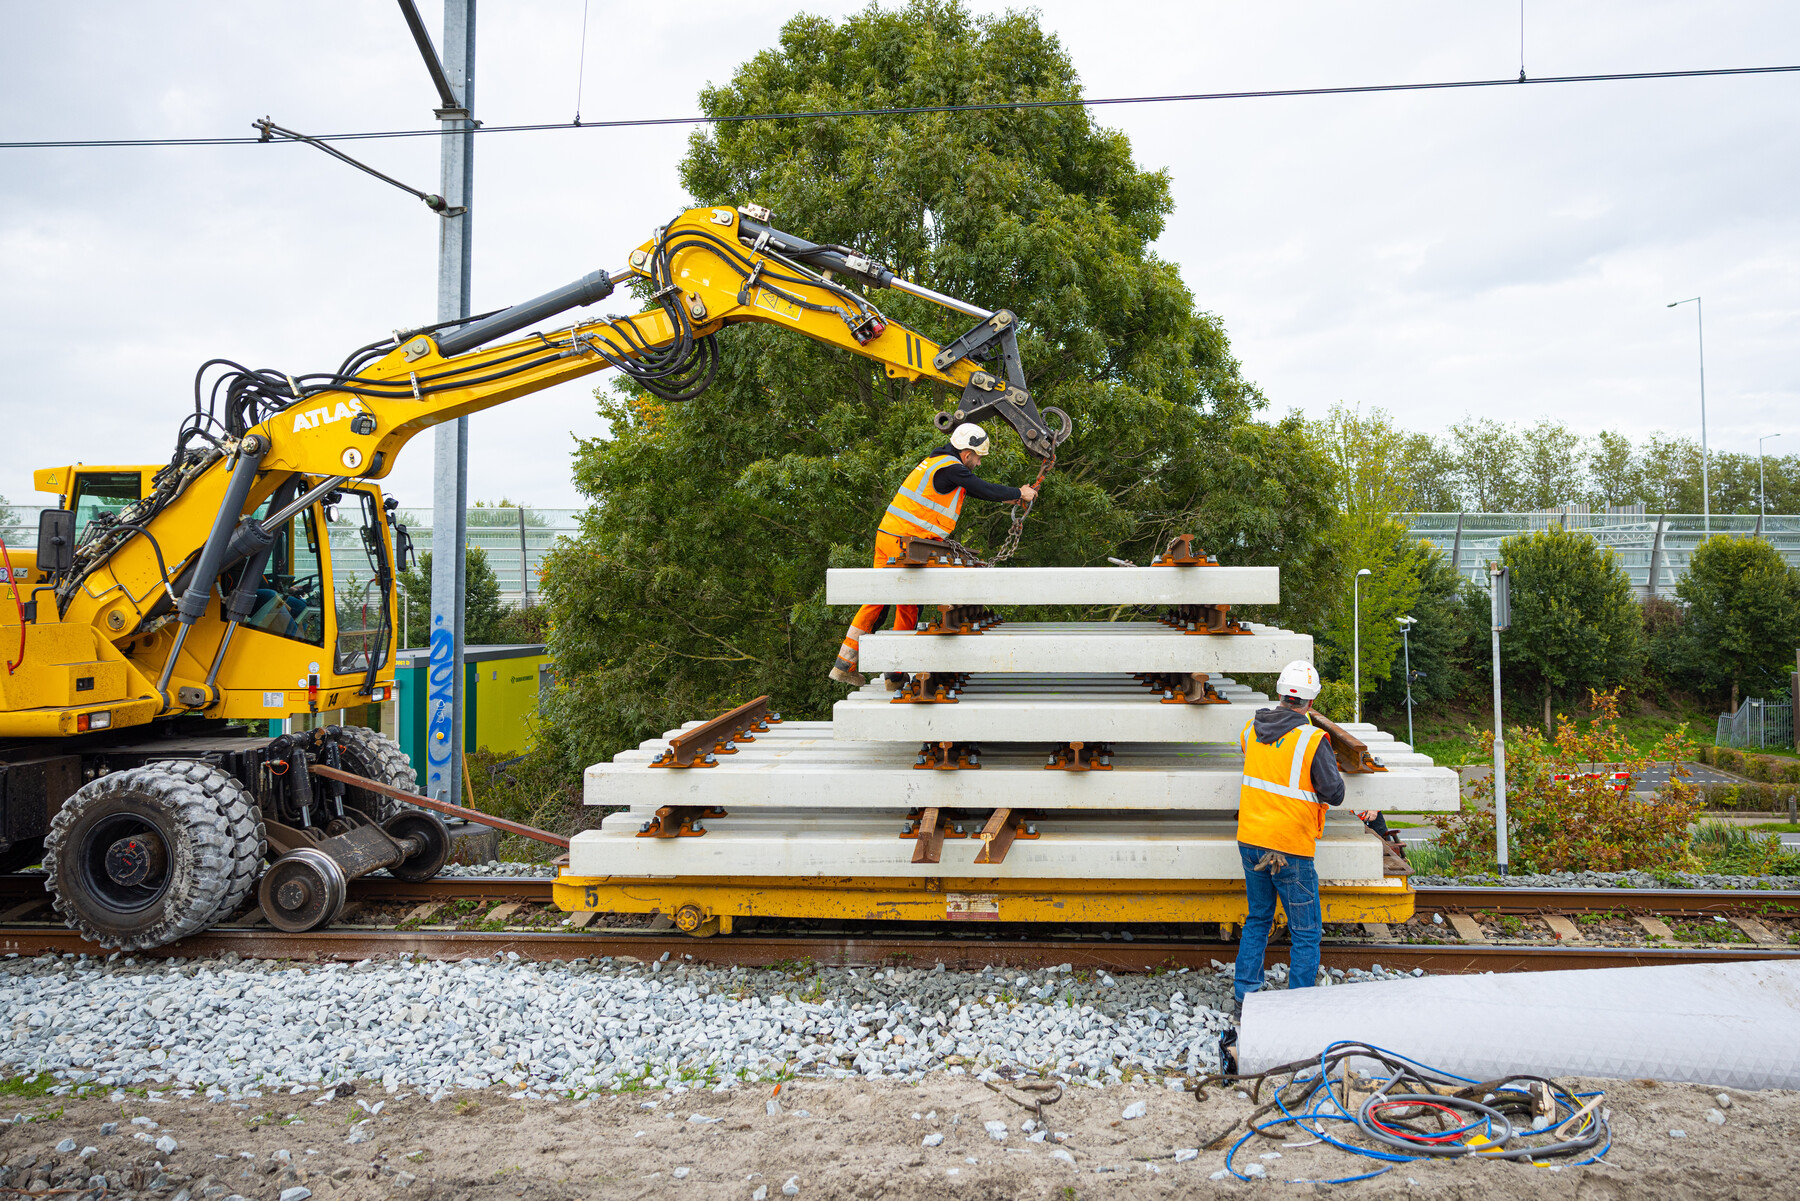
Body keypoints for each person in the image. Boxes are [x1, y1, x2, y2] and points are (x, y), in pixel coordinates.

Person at [829, 423, 1039, 686]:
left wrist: (1007, 498)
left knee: (882, 599)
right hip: (905, 543)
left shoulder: (936, 464)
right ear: (966, 453)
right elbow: (981, 487)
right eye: (978, 458)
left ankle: (850, 665)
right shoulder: (951, 467)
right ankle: (893, 671)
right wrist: (1019, 493)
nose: (978, 463)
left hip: (889, 536)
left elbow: (967, 489)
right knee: (910, 603)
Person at [1233, 659, 1346, 1012]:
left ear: (1280, 693)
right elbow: (1334, 793)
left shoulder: (1251, 729)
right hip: (1289, 848)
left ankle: (1245, 994)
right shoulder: (1312, 739)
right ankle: (1298, 1004)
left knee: (1258, 918)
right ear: (1310, 703)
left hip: (1251, 840)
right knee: (1306, 930)